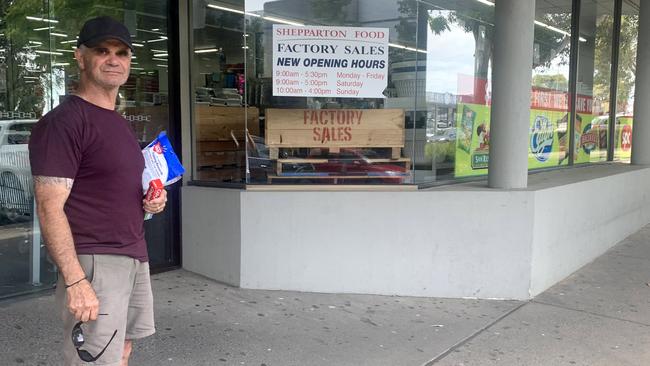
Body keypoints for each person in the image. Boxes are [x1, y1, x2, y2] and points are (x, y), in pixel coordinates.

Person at [28, 16, 167, 366]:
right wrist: (76, 281)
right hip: (94, 263)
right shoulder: (65, 123)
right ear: (80, 57)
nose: (113, 59)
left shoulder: (117, 122)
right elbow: (49, 207)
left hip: (133, 255)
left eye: (122, 52)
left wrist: (151, 202)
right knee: (93, 359)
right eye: (102, 50)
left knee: (120, 352)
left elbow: (112, 190)